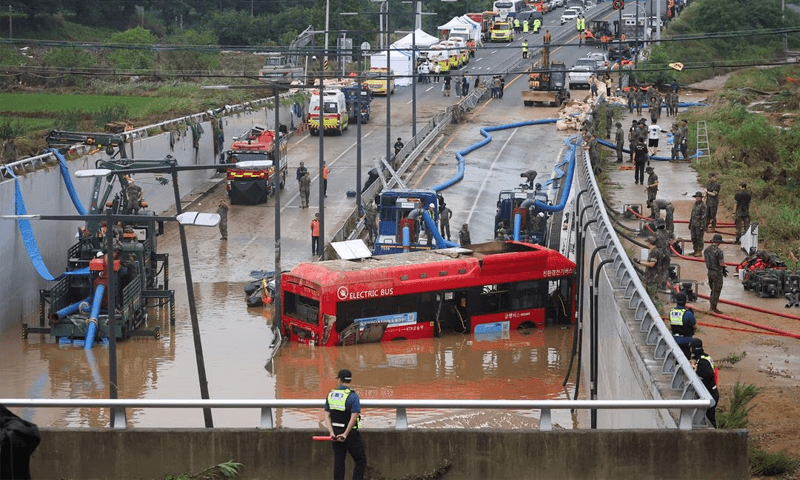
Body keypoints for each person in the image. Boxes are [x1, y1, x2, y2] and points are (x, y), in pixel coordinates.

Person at [324, 369, 367, 480]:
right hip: (350, 434)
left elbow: (327, 415)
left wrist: (331, 432)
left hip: (336, 433)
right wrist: (345, 434)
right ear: (350, 380)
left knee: (339, 461)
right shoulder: (352, 396)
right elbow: (354, 416)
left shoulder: (331, 394)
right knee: (360, 460)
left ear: (339, 380)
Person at [691, 339, 719, 428]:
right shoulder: (705, 357)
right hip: (712, 392)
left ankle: (716, 434)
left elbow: (709, 374)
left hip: (710, 394)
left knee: (709, 418)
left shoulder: (703, 361)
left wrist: (696, 370)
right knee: (709, 416)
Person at [669, 293, 697, 358]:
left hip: (674, 339)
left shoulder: (671, 311)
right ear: (685, 301)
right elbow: (694, 325)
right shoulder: (688, 313)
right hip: (686, 340)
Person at [704, 234, 726, 314]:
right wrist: (724, 267)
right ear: (719, 242)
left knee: (712, 289)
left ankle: (711, 306)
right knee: (716, 290)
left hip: (709, 272)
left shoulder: (706, 250)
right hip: (717, 273)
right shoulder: (719, 251)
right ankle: (713, 308)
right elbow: (721, 264)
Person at [689, 191, 708, 257]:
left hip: (699, 224)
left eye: (698, 197)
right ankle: (695, 250)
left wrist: (702, 226)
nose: (697, 199)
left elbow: (704, 217)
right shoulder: (695, 204)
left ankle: (699, 251)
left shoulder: (703, 206)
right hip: (693, 224)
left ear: (701, 198)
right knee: (693, 237)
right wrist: (690, 223)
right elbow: (692, 214)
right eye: (696, 197)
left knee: (699, 238)